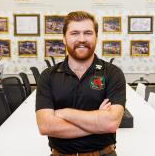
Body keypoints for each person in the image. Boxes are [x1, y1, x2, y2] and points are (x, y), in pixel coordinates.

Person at [36, 11, 126, 156]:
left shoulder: (113, 73)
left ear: (96, 37)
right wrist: (98, 122)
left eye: (88, 33)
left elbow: (110, 124)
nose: (82, 39)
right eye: (75, 33)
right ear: (64, 39)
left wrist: (64, 113)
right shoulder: (48, 76)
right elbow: (46, 126)